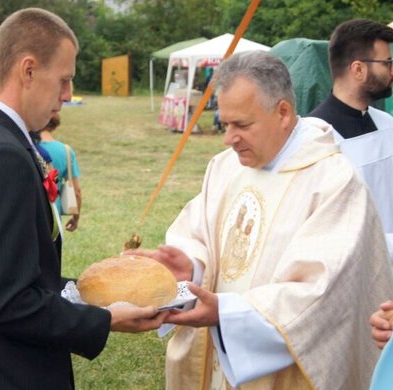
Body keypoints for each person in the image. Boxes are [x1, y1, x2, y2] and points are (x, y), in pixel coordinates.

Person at [126, 51, 393, 389]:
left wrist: (226, 313)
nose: (228, 138)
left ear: (282, 112)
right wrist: (192, 267)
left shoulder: (334, 182)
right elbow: (199, 236)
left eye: (242, 125)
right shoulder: (225, 167)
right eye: (225, 124)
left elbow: (321, 294)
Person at [0, 8, 165, 390]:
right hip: (3, 375)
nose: (68, 96)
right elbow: (5, 303)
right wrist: (105, 321)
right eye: (64, 80)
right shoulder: (0, 157)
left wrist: (97, 291)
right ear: (28, 70)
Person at [309, 19, 393, 262]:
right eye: (387, 63)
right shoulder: (315, 138)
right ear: (358, 69)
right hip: (349, 267)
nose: (391, 71)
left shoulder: (387, 124)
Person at [39, 112, 82, 232]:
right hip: (53, 215)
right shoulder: (66, 151)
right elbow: (76, 191)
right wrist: (75, 217)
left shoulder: (27, 145)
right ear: (55, 125)